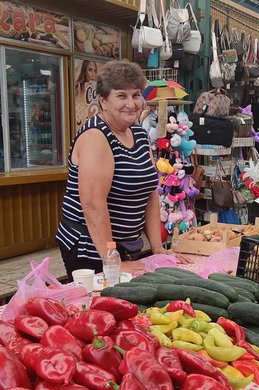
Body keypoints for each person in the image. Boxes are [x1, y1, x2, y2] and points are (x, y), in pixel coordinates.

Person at [56, 60, 173, 279]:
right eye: (121, 96)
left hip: (126, 245)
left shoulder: (138, 133)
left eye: (136, 95)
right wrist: (110, 260)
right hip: (90, 248)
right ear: (103, 101)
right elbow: (93, 205)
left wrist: (157, 248)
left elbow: (150, 192)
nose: (131, 103)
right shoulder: (95, 137)